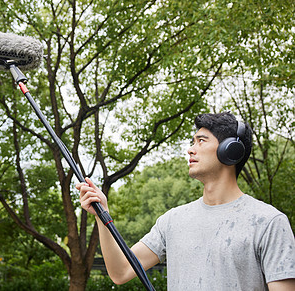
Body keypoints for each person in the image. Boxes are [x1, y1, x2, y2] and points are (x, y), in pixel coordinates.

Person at [77, 112, 295, 290]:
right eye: (192, 142)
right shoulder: (172, 221)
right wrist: (102, 215)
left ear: (231, 150)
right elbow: (121, 271)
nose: (191, 149)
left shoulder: (268, 223)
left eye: (201, 141)